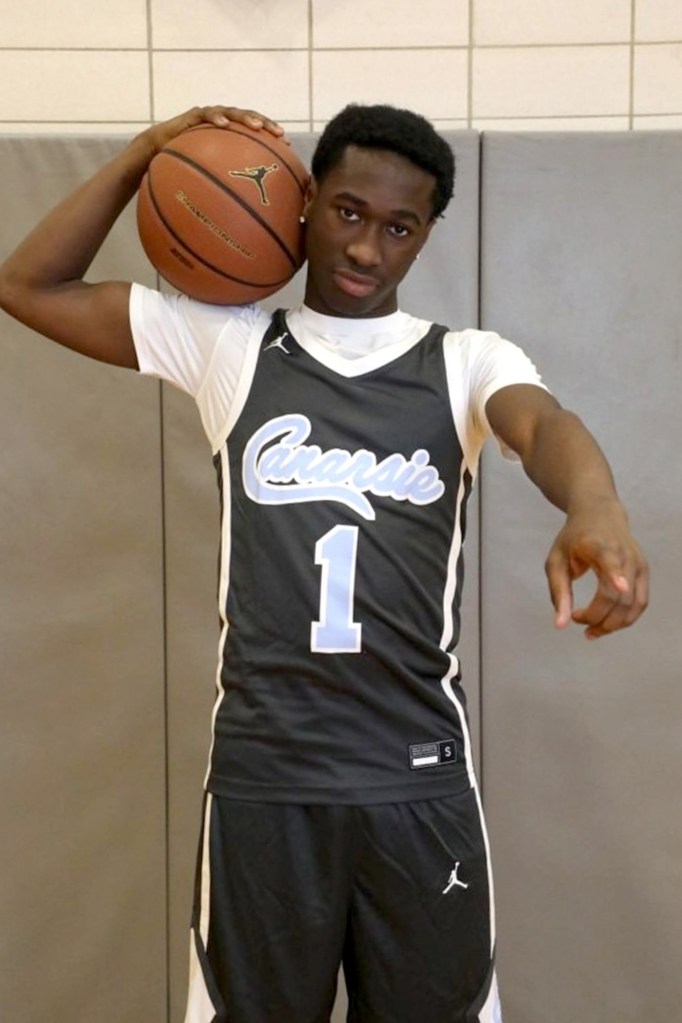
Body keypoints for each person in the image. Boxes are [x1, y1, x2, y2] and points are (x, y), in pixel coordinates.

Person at [0, 103, 648, 1023]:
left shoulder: (463, 362)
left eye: (399, 227)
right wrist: (149, 153)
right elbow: (29, 284)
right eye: (347, 212)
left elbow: (542, 423)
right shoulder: (231, 345)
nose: (367, 249)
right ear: (304, 204)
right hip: (267, 780)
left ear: (424, 236)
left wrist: (596, 504)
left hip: (417, 782)